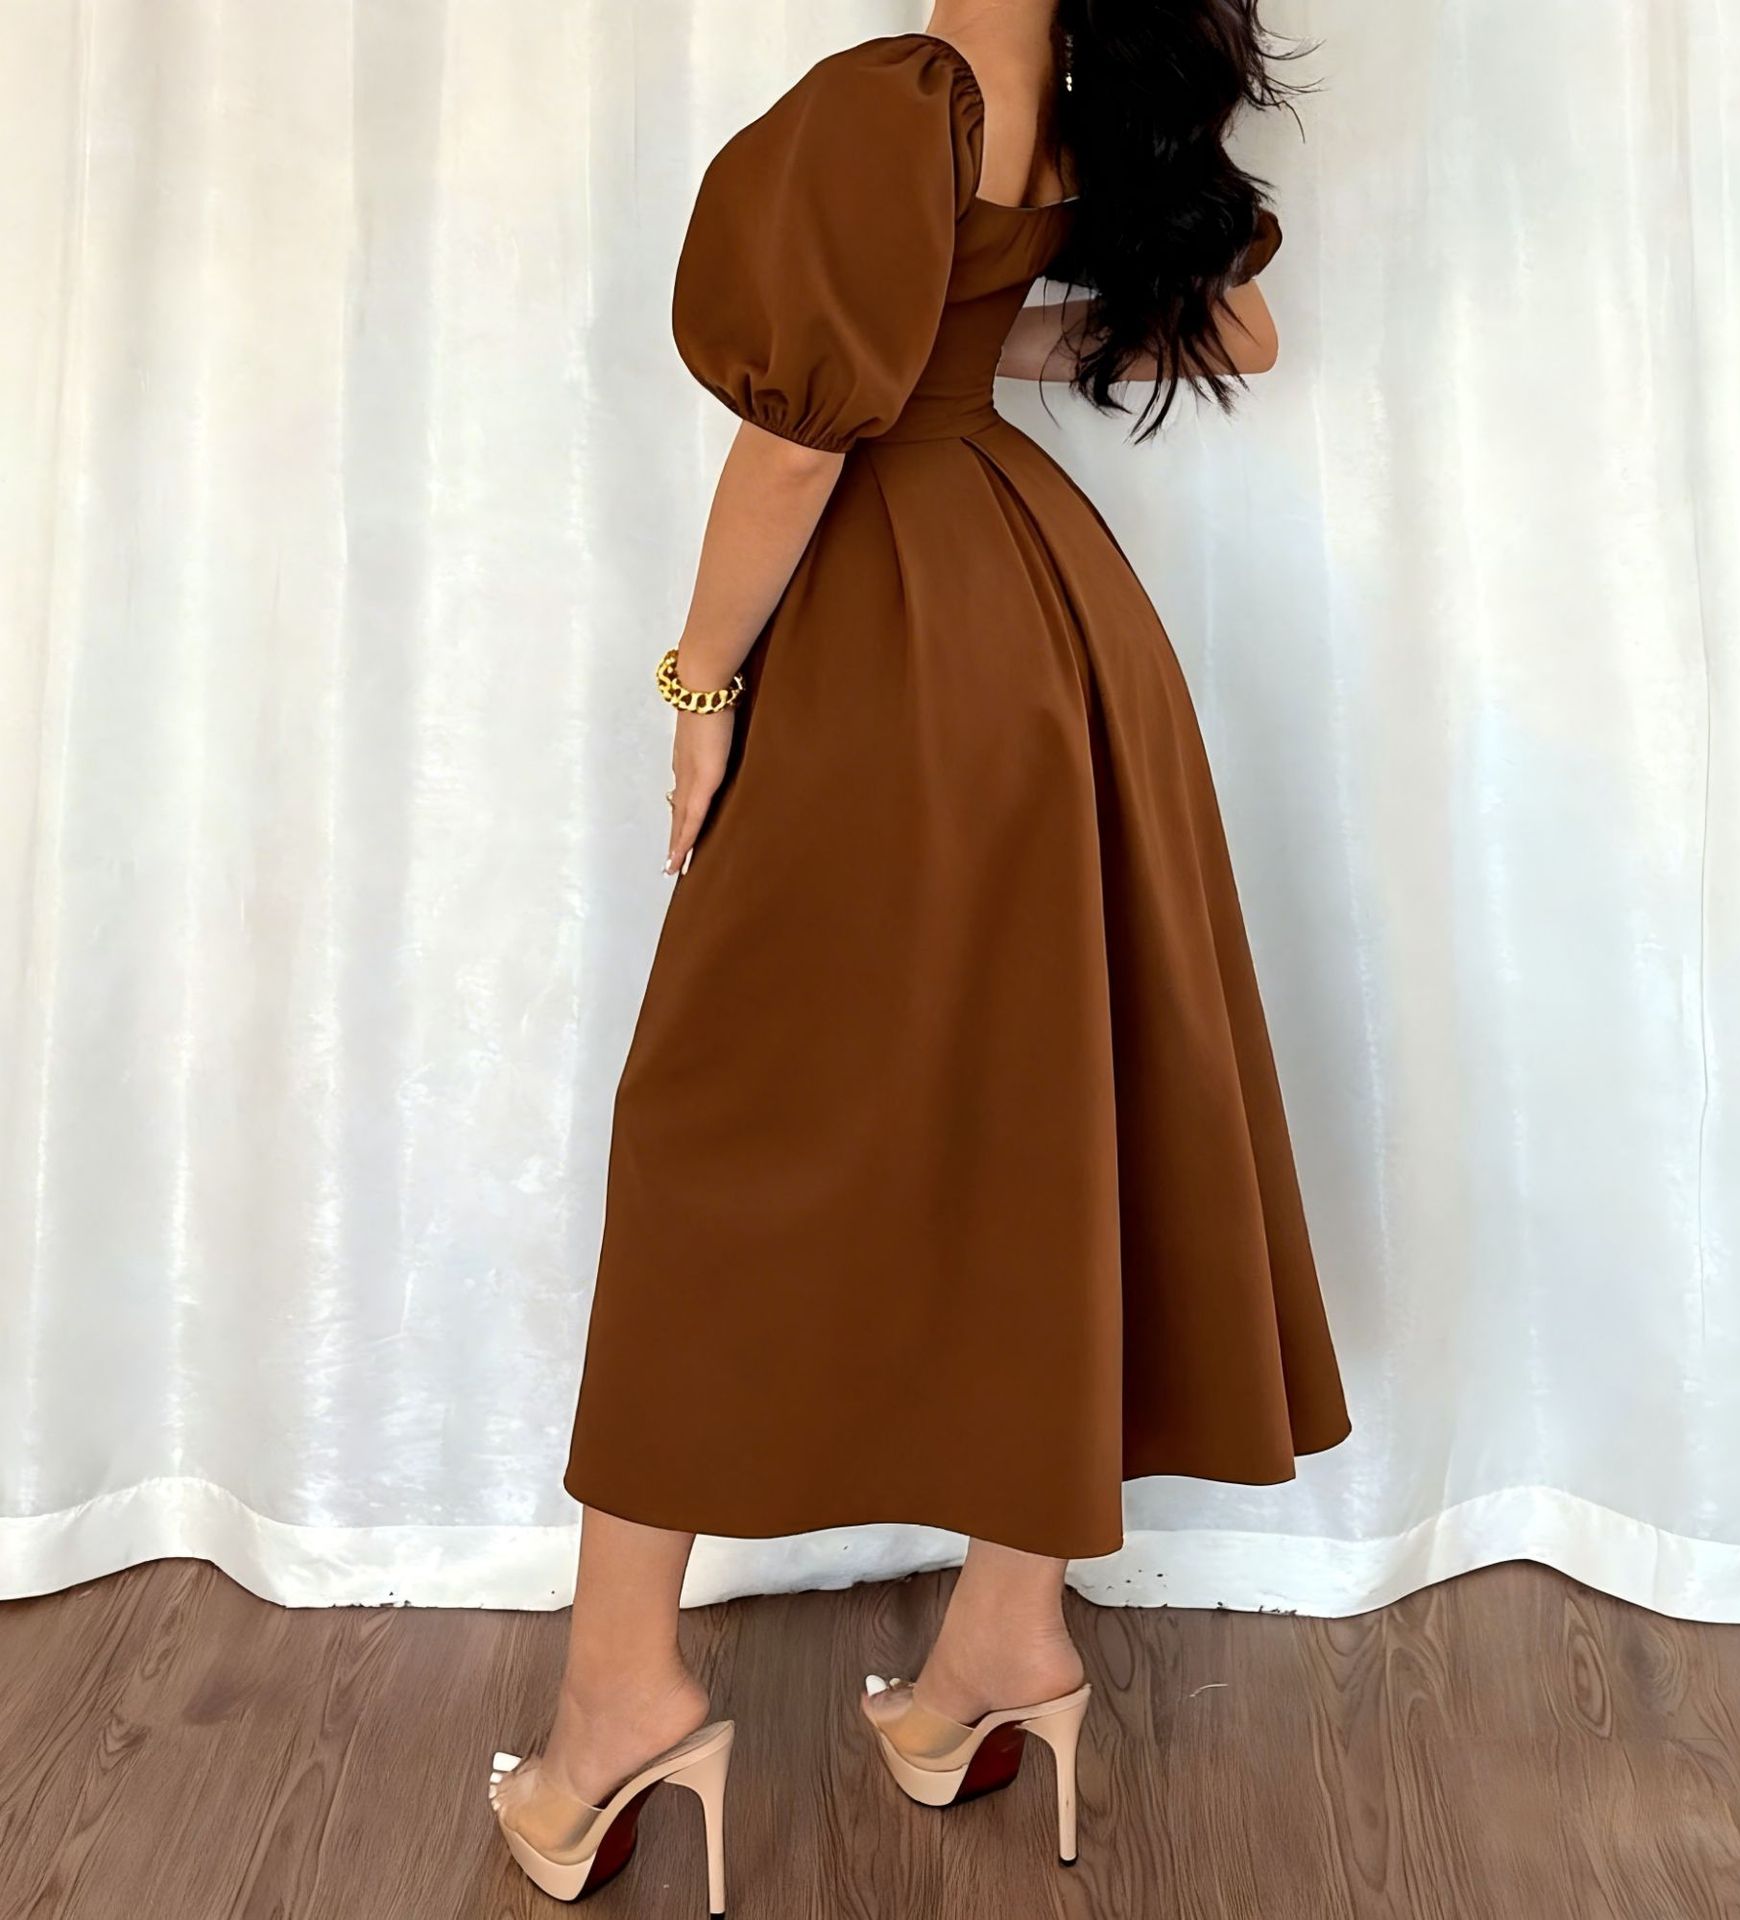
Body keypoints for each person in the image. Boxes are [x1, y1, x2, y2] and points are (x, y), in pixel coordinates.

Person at [487, 2, 1351, 1906]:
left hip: (893, 639)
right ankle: (1004, 1643)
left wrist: (698, 686)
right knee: (1045, 1102)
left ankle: (619, 1702)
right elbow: (1235, 329)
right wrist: (972, 340)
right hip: (1049, 620)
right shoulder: (1079, 109)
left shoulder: (908, 100)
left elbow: (792, 449)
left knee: (710, 1137)